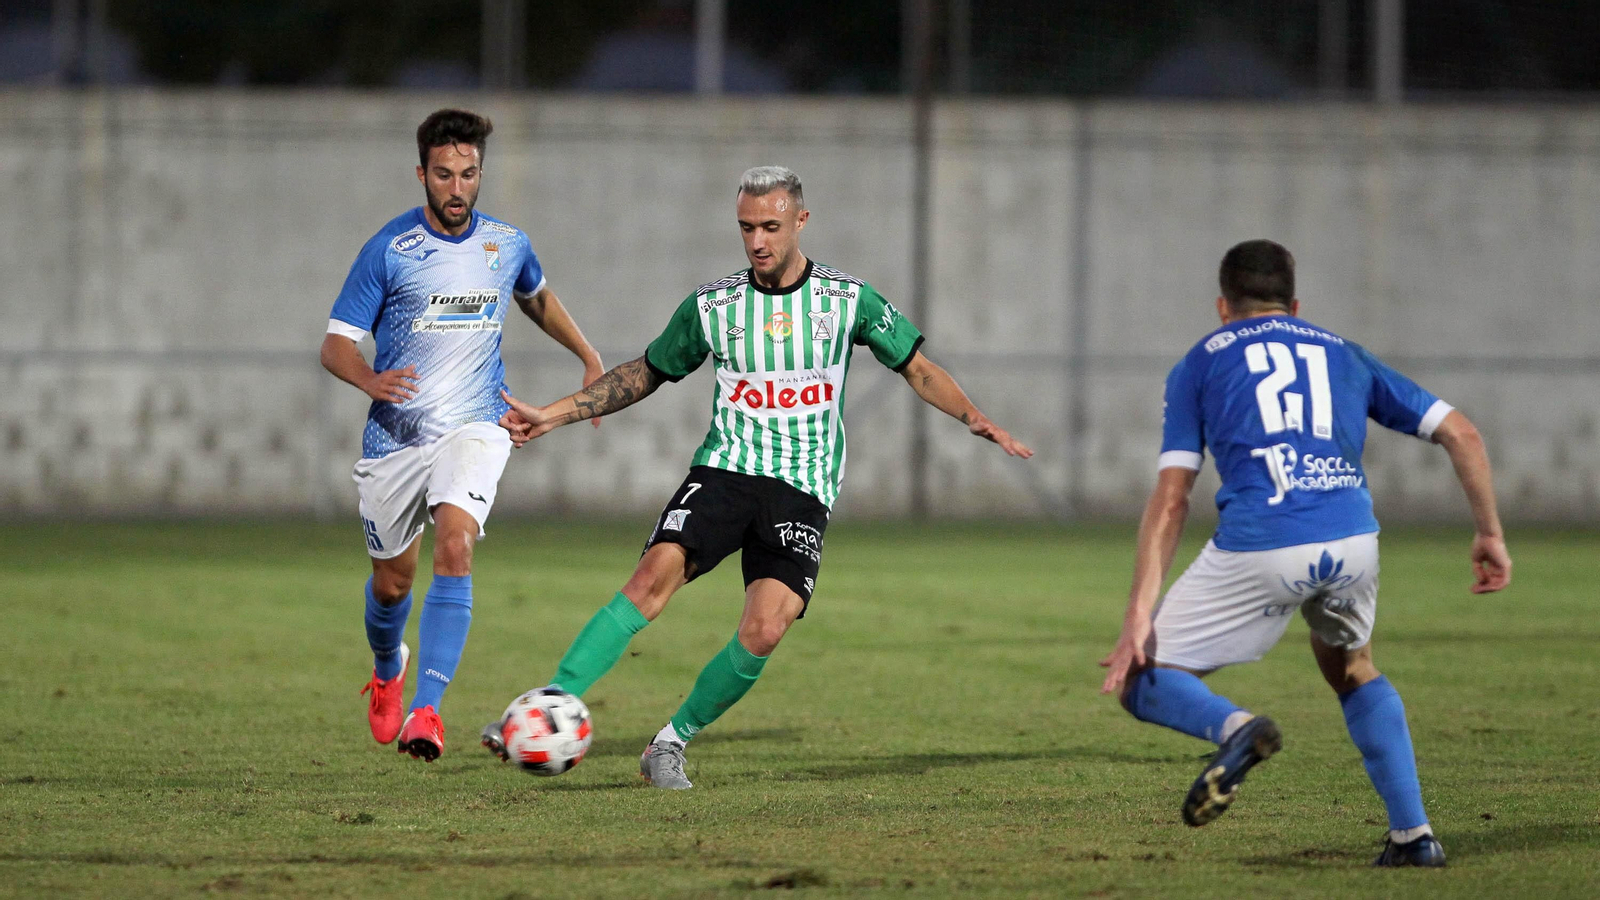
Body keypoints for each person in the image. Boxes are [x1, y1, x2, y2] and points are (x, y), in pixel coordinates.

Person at [482, 166, 1033, 788]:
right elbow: (645, 372)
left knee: (766, 627)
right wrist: (553, 416)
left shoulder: (848, 301)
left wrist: (973, 416)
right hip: (725, 470)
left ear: (801, 221)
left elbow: (918, 367)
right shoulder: (714, 307)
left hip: (803, 487)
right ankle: (548, 705)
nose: (757, 241)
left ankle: (669, 742)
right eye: (746, 227)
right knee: (650, 578)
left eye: (770, 226)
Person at [1098, 240, 1512, 866]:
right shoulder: (1344, 352)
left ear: (1222, 306)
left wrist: (1138, 614)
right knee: (1351, 667)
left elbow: (1173, 496)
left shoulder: (1199, 364)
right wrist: (1489, 533)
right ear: (1294, 305)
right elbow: (1463, 433)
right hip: (1352, 542)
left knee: (1139, 678)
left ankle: (1236, 730)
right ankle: (1415, 838)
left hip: (1263, 545)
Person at [321, 108, 603, 762]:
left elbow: (533, 294)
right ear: (422, 173)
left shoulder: (507, 243)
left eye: (469, 175)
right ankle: (389, 663)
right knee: (392, 584)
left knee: (456, 545)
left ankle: (426, 712)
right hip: (397, 438)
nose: (456, 188)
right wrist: (372, 381)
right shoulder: (389, 250)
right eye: (444, 175)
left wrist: (587, 356)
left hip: (478, 426)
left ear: (481, 174)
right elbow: (336, 347)